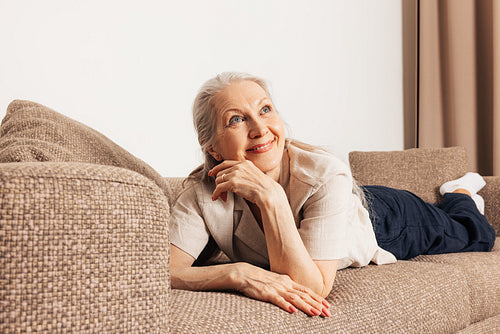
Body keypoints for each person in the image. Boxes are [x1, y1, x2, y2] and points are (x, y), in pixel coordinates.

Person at [169, 72, 496, 318]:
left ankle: (459, 191)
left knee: (477, 233)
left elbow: (310, 287)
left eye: (265, 109)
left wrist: (271, 197)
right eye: (236, 119)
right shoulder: (202, 194)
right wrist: (234, 272)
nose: (259, 128)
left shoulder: (325, 173)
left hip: (385, 222)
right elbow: (167, 270)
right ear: (211, 146)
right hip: (346, 205)